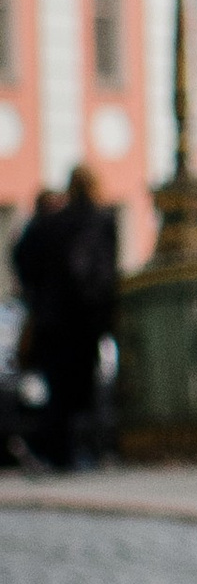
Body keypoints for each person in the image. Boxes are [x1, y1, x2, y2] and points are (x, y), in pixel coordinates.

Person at [11, 168, 118, 472]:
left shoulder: (51, 223)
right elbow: (102, 274)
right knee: (81, 384)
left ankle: (57, 450)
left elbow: (22, 255)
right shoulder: (100, 220)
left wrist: (34, 294)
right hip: (84, 318)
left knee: (57, 386)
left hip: (51, 318)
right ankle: (75, 449)